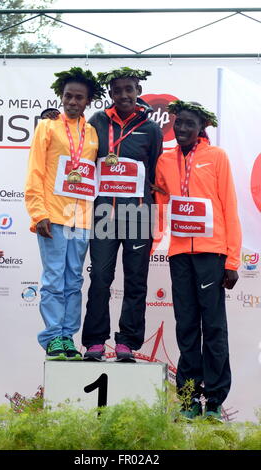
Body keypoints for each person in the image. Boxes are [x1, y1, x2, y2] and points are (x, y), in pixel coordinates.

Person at [41, 67, 163, 362]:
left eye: (129, 90)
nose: (123, 95)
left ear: (138, 92)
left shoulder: (151, 130)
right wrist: (51, 117)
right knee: (100, 279)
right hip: (102, 214)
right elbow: (75, 141)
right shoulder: (96, 122)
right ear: (110, 94)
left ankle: (127, 343)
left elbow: (157, 177)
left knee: (136, 280)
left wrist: (154, 222)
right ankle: (95, 341)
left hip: (138, 215)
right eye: (118, 90)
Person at [155, 100, 242, 420]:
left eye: (188, 125)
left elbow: (229, 208)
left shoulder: (216, 157)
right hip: (179, 254)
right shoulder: (164, 160)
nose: (181, 130)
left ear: (201, 128)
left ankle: (215, 401)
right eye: (178, 124)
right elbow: (160, 201)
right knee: (187, 327)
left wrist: (232, 260)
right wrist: (152, 243)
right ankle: (189, 398)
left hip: (212, 254)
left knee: (214, 327)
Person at [25, 67, 105, 361]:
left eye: (78, 97)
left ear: (88, 101)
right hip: (53, 216)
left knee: (74, 280)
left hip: (81, 218)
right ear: (61, 97)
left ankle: (68, 336)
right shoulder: (46, 127)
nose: (72, 101)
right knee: (53, 279)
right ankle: (52, 336)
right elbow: (35, 171)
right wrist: (38, 213)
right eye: (68, 96)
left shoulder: (93, 133)